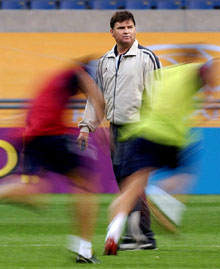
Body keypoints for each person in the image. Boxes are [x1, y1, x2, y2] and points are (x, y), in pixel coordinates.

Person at [0, 59, 105, 264]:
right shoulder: (77, 73)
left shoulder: (59, 79)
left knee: (37, 195)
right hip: (48, 134)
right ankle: (84, 249)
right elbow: (97, 96)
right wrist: (96, 125)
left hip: (32, 135)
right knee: (88, 184)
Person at [103, 59, 218, 255]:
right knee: (185, 174)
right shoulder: (191, 70)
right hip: (169, 135)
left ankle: (112, 233)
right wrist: (211, 96)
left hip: (140, 133)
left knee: (132, 188)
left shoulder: (159, 75)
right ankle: (161, 192)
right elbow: (210, 67)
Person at [77, 10, 161, 251]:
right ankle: (140, 235)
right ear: (112, 32)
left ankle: (139, 236)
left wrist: (153, 128)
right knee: (126, 184)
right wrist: (86, 126)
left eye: (131, 27)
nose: (127, 31)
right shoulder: (105, 61)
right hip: (116, 129)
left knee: (131, 183)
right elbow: (96, 97)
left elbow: (157, 95)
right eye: (122, 27)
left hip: (139, 128)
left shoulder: (147, 57)